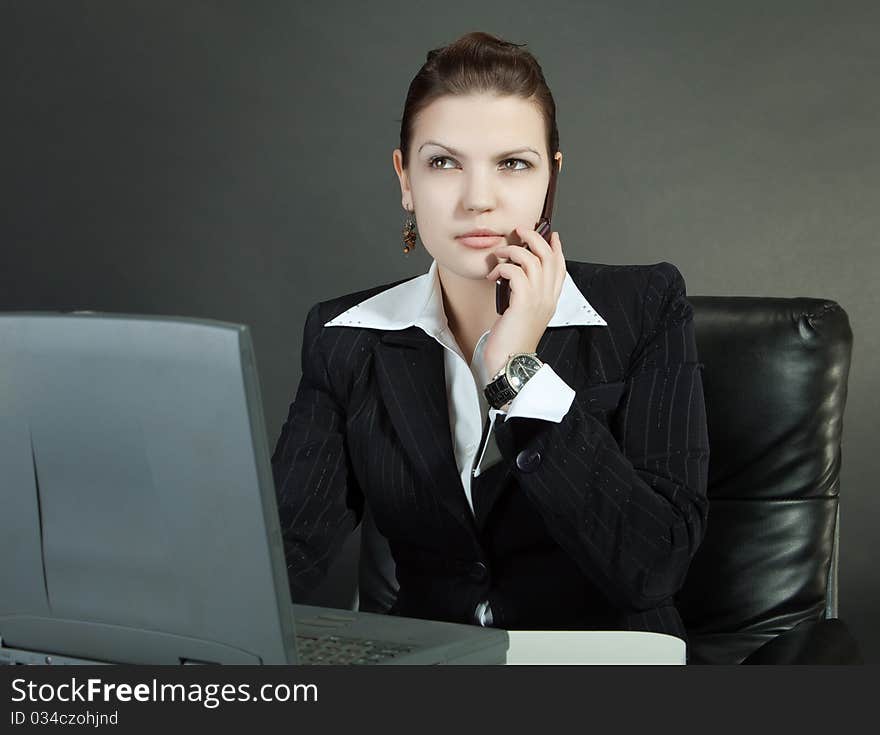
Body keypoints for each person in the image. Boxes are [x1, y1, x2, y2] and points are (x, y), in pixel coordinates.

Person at [271, 31, 709, 641]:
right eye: (443, 162)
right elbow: (281, 556)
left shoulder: (645, 308)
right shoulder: (346, 337)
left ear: (549, 181)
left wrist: (519, 373)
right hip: (429, 670)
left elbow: (653, 567)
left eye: (512, 163)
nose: (478, 200)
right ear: (405, 178)